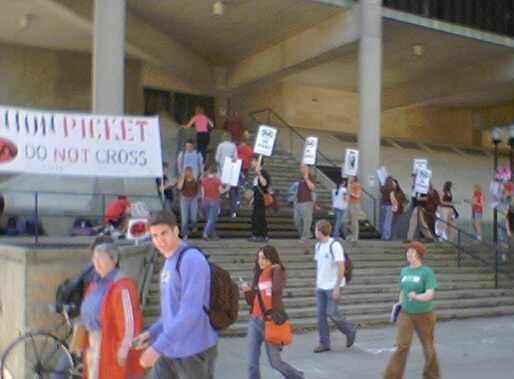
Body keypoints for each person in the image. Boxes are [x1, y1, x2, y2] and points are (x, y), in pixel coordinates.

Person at [134, 211, 218, 378]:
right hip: (170, 347)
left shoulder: (191, 260)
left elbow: (190, 313)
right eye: (154, 236)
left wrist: (157, 348)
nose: (159, 240)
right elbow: (172, 312)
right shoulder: (169, 261)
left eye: (164, 233)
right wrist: (151, 333)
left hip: (193, 351)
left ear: (176, 230)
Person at [80, 243, 144, 379]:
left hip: (110, 342)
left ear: (114, 260)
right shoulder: (95, 283)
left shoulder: (122, 285)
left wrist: (124, 348)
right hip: (94, 340)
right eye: (94, 258)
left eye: (101, 258)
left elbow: (129, 322)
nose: (96, 262)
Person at [241, 245, 306, 379]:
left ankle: (297, 376)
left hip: (270, 322)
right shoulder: (258, 275)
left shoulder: (276, 272)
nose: (261, 261)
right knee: (252, 363)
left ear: (272, 259)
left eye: (264, 258)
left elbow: (276, 289)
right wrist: (247, 291)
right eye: (259, 258)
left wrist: (276, 269)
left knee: (275, 363)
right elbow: (253, 301)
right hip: (255, 321)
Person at [382, 241, 440, 379]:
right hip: (406, 314)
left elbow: (430, 294)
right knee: (402, 346)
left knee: (428, 347)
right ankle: (392, 376)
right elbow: (402, 290)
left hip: (425, 314)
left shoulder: (426, 272)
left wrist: (417, 296)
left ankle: (432, 375)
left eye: (411, 252)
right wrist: (399, 304)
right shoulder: (404, 271)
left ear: (418, 255)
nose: (408, 254)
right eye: (407, 252)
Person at [313, 220, 357, 354]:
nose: (314, 232)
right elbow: (320, 265)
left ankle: (350, 330)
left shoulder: (335, 245)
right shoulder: (318, 246)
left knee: (332, 313)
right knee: (320, 316)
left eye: (315, 230)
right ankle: (324, 343)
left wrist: (337, 287)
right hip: (321, 286)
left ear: (321, 231)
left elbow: (341, 266)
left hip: (333, 285)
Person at [201, 165, 227, 241]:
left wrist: (203, 202)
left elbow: (202, 193)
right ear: (215, 173)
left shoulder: (204, 180)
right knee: (211, 219)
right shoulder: (217, 180)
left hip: (205, 201)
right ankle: (205, 234)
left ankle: (212, 234)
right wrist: (227, 189)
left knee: (208, 219)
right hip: (214, 201)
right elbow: (221, 191)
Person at [249, 156, 271, 242]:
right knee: (255, 216)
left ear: (257, 162)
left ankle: (261, 234)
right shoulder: (257, 174)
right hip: (257, 199)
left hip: (261, 200)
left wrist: (259, 174)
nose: (251, 163)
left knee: (259, 217)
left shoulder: (263, 173)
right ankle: (256, 234)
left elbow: (265, 184)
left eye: (252, 161)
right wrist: (252, 199)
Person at [293, 164, 316, 241]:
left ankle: (305, 237)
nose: (301, 168)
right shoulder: (300, 178)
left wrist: (306, 179)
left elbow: (312, 188)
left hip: (307, 201)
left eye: (303, 167)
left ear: (308, 168)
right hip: (298, 202)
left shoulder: (311, 176)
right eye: (301, 167)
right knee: (297, 220)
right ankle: (307, 234)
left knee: (306, 220)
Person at [407, 175, 433, 241]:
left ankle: (409, 238)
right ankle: (429, 237)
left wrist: (419, 198)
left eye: (414, 179)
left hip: (419, 207)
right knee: (422, 224)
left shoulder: (421, 188)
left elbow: (427, 198)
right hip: (417, 206)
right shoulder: (415, 188)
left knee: (412, 222)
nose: (412, 180)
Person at [177, 166, 200, 239]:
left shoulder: (195, 180)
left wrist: (197, 197)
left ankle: (194, 227)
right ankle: (184, 234)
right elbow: (179, 187)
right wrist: (183, 178)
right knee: (184, 218)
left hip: (193, 199)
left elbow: (198, 189)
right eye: (186, 172)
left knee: (193, 216)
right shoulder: (182, 179)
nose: (188, 173)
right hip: (184, 199)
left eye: (189, 172)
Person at [381, 176, 395, 241]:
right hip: (389, 206)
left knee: (383, 221)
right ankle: (387, 236)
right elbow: (392, 198)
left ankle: (383, 235)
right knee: (388, 222)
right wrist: (394, 204)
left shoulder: (383, 189)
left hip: (383, 206)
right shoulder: (391, 189)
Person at [348, 176, 362, 242]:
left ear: (354, 178)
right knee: (350, 221)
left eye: (351, 177)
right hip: (350, 204)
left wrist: (351, 193)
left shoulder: (357, 185)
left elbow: (358, 195)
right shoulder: (350, 185)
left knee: (354, 221)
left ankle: (355, 237)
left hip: (355, 204)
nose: (349, 178)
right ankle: (352, 236)